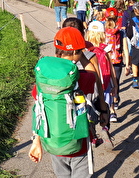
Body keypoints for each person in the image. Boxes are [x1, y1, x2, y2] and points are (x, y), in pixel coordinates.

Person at [29, 27, 110, 177]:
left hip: (52, 141)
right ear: (75, 53)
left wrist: (36, 141)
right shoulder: (81, 79)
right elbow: (94, 75)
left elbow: (39, 109)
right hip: (78, 143)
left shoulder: (43, 81)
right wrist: (83, 58)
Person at [85, 21, 119, 122]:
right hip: (106, 81)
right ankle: (106, 124)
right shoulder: (105, 48)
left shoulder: (85, 49)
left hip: (91, 82)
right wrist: (115, 85)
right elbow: (111, 67)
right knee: (106, 103)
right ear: (103, 34)